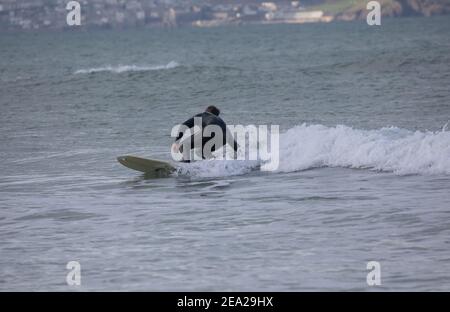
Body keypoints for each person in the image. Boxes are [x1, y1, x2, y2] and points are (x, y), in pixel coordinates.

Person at [172, 105, 238, 162]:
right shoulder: (221, 122)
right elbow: (234, 144)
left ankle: (186, 166)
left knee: (184, 145)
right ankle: (215, 164)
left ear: (206, 111)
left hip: (210, 130)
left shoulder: (203, 115)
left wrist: (176, 142)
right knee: (202, 151)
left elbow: (184, 126)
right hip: (224, 138)